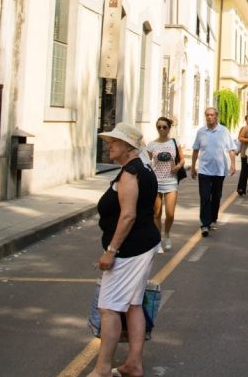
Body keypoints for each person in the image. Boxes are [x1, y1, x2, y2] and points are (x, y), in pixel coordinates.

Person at [92, 123, 161, 377]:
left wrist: (111, 250)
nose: (110, 145)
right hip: (143, 244)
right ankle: (133, 364)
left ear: (129, 147)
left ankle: (101, 369)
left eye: (114, 142)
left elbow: (128, 216)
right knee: (133, 305)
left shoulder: (130, 173)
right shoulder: (140, 167)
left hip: (131, 249)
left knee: (109, 308)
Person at [190, 107, 237, 237]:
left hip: (219, 170)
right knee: (205, 197)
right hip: (204, 170)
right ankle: (205, 224)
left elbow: (231, 149)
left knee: (216, 197)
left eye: (212, 115)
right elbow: (195, 150)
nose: (209, 117)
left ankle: (212, 218)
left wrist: (232, 164)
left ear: (217, 116)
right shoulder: (201, 132)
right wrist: (193, 167)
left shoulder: (224, 131)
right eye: (207, 115)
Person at [143, 117, 183, 252]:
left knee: (170, 213)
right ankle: (158, 241)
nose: (161, 130)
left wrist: (178, 166)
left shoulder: (174, 142)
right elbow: (145, 162)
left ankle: (167, 234)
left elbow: (182, 159)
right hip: (156, 182)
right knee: (156, 213)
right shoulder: (152, 145)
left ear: (169, 128)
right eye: (159, 127)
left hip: (171, 181)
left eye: (164, 127)